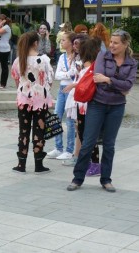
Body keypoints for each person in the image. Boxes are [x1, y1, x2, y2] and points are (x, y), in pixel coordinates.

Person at [67, 30, 138, 193]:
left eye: (115, 43)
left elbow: (128, 86)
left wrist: (108, 80)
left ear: (125, 44)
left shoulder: (131, 63)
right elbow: (97, 79)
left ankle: (106, 179)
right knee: (88, 142)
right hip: (97, 103)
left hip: (117, 106)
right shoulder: (102, 56)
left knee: (109, 144)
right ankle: (77, 178)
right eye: (111, 42)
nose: (111, 45)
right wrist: (116, 85)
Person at [10, 31, 54, 174]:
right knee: (39, 130)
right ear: (36, 43)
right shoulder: (45, 60)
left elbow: (16, 79)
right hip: (40, 100)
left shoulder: (18, 60)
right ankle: (38, 163)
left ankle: (21, 163)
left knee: (23, 131)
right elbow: (50, 80)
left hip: (23, 99)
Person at [62, 38, 102, 176]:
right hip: (81, 104)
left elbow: (86, 85)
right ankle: (91, 163)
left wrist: (73, 85)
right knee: (83, 134)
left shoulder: (90, 68)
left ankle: (95, 164)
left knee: (88, 136)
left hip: (86, 105)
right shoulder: (88, 67)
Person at [46, 32, 76, 160]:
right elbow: (57, 75)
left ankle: (69, 150)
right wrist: (67, 74)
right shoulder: (62, 56)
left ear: (71, 42)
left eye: (64, 40)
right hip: (62, 89)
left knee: (70, 120)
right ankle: (58, 147)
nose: (61, 42)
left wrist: (67, 73)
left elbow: (74, 73)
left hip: (72, 89)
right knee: (56, 116)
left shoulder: (77, 57)